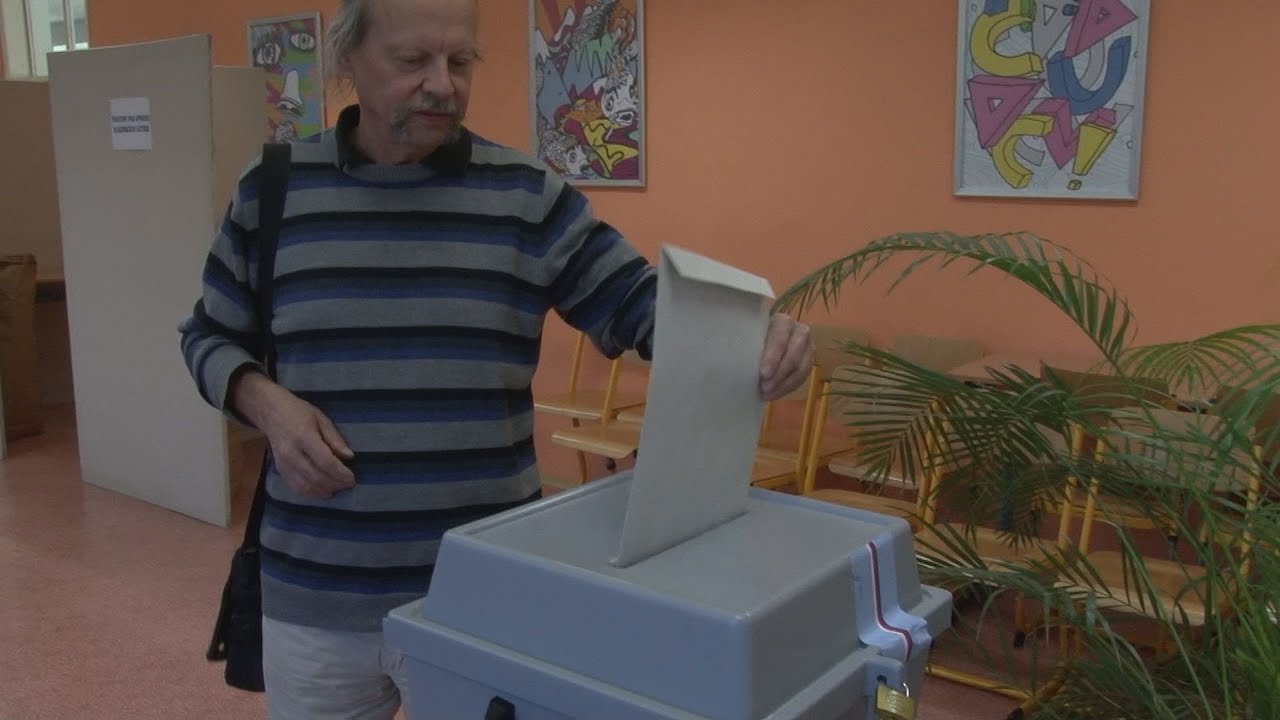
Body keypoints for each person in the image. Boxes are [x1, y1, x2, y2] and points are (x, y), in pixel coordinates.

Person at [179, 0, 814, 717]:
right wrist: (265, 402)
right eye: (413, 60)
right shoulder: (272, 191)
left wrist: (748, 336)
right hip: (317, 599)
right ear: (347, 57)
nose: (442, 84)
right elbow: (207, 337)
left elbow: (637, 302)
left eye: (461, 61)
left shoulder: (525, 197)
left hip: (487, 595)